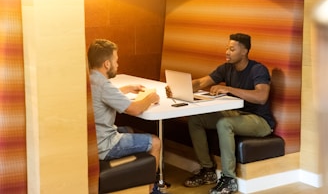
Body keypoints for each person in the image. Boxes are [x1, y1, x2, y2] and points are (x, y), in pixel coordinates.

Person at [171, 33, 276, 194]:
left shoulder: (257, 69)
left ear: (244, 51)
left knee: (224, 123)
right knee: (196, 119)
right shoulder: (226, 68)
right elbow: (201, 82)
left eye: (232, 49)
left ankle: (229, 179)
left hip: (260, 121)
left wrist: (228, 89)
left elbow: (261, 97)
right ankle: (208, 170)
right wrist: (178, 87)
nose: (227, 52)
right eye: (227, 48)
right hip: (237, 113)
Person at [87, 39, 163, 194]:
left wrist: (127, 88)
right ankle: (152, 189)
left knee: (128, 129)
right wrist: (151, 97)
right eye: (116, 60)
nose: (117, 64)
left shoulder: (91, 79)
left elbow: (105, 96)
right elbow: (135, 109)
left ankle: (137, 184)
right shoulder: (104, 85)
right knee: (155, 142)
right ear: (107, 64)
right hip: (105, 145)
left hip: (92, 141)